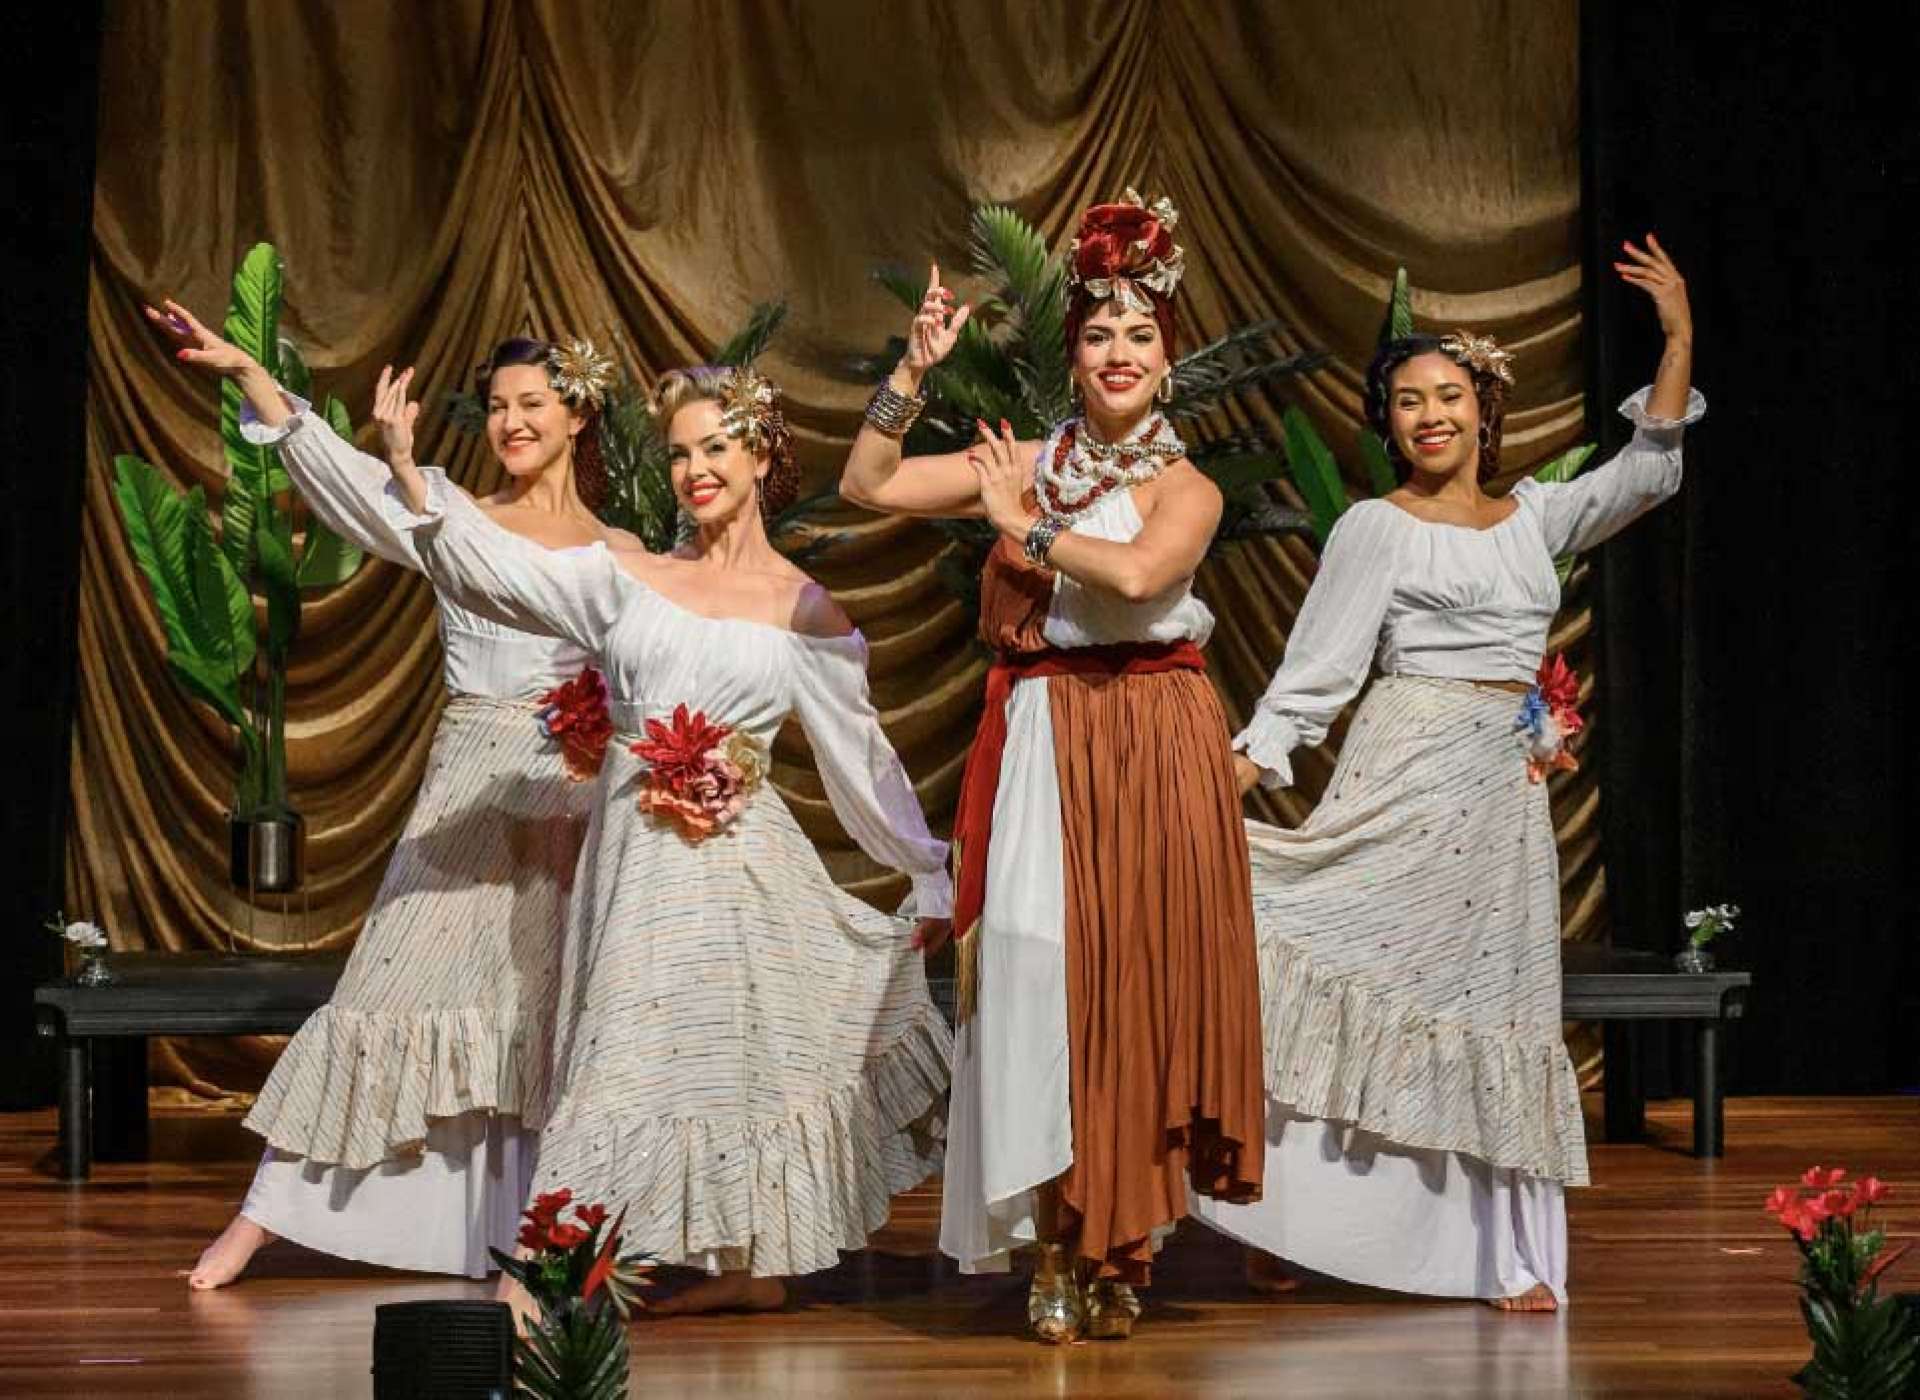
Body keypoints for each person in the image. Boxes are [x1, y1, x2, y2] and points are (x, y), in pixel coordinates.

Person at [1193, 234, 1701, 1311]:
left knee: (1487, 1006)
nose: (1430, 413)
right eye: (1408, 401)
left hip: (1500, 800)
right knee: (1345, 972)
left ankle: (1496, 1252)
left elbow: (1650, 467)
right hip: (1403, 774)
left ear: (1485, 409)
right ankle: (1281, 1214)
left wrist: (1679, 331)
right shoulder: (1376, 527)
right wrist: (1230, 774)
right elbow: (1312, 673)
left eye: (1449, 394)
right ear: (1387, 426)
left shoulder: (1536, 520)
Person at [388, 362, 954, 1317]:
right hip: (638, 869)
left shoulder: (805, 609)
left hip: (744, 875)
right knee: (616, 1056)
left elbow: (864, 761)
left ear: (762, 451)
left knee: (731, 1057)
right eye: (681, 452)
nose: (694, 469)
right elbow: (498, 570)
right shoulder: (631, 577)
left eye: (715, 447)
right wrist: (411, 479)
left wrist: (926, 873)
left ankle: (743, 1270)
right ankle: (559, 1275)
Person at [838, 192, 1265, 1342]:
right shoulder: (1021, 457)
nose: (1118, 353)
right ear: (1070, 356)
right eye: (1097, 334)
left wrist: (1018, 526)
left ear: (1168, 358)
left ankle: (1119, 1241)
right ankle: (1054, 1231)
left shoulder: (1190, 486)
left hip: (1156, 741)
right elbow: (867, 484)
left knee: (1136, 988)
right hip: (1045, 737)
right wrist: (913, 375)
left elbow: (1135, 576)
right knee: (1039, 980)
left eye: (1140, 335)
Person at [146, 301, 635, 1287]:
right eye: (498, 405)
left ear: (576, 414)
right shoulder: (442, 503)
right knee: (390, 989)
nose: (512, 422)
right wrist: (250, 373)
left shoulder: (620, 550)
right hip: (469, 786)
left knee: (539, 1009)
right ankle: (266, 1213)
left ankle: (527, 1234)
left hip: (570, 795)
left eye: (533, 402)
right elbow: (349, 480)